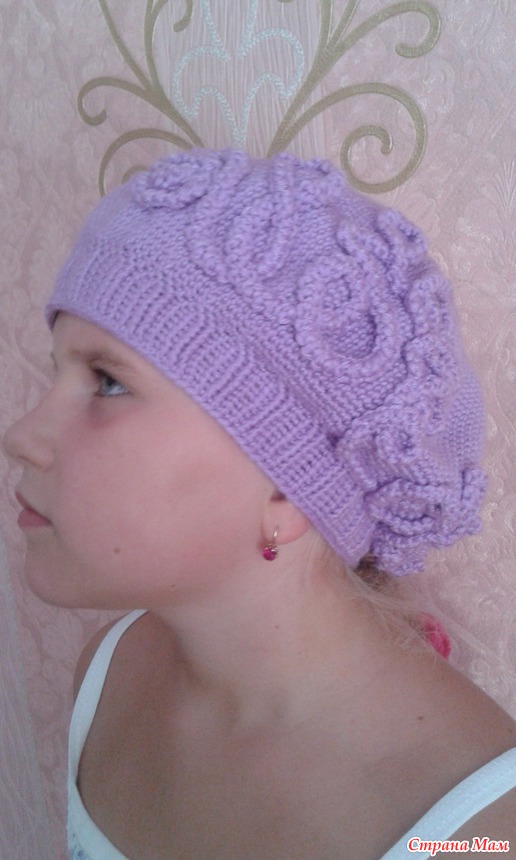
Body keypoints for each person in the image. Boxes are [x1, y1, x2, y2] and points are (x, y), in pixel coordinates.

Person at [4, 148, 515, 860]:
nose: (20, 436)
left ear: (286, 486)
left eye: (108, 383)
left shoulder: (477, 834)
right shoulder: (107, 674)